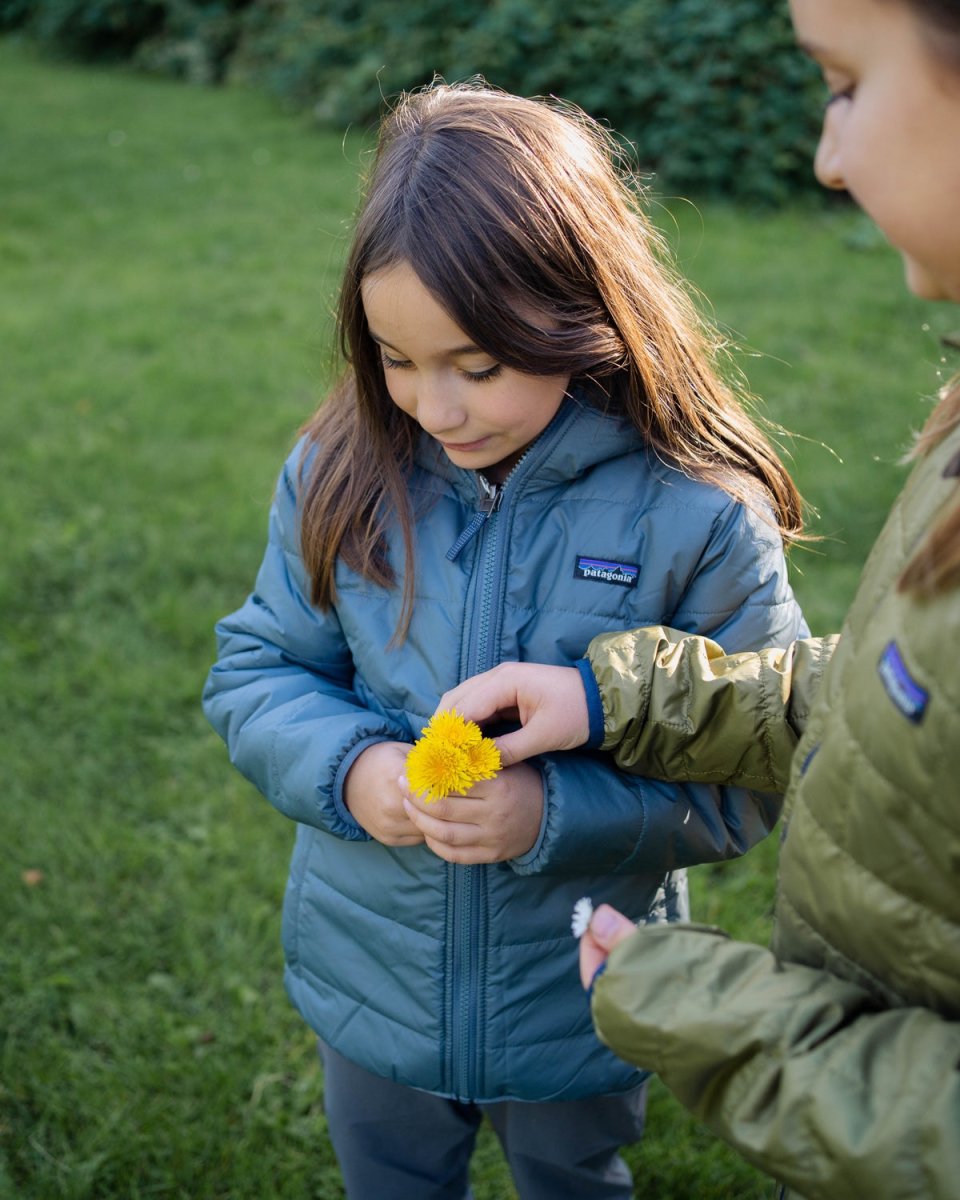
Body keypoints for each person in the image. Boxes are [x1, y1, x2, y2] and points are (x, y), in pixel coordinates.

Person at [202, 80, 809, 1200]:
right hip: (371, 976)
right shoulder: (344, 470)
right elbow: (260, 669)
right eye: (395, 357)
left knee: (576, 1179)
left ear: (582, 311)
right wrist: (356, 769)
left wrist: (548, 814)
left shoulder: (699, 515)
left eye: (477, 367)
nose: (435, 406)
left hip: (577, 984)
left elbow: (751, 779)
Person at [438, 2, 960, 1196]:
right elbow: (886, 706)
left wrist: (716, 1011)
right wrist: (603, 695)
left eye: (841, 83)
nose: (828, 155)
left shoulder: (700, 512)